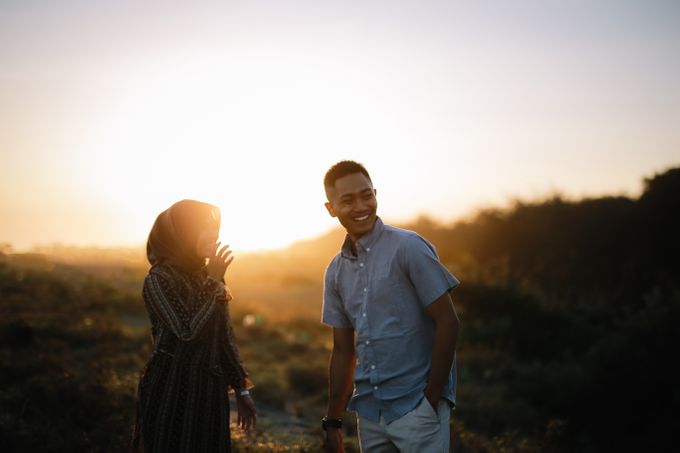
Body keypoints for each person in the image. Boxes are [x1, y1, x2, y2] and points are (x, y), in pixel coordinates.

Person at [321, 161, 460, 453]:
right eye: (347, 200)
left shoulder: (409, 247)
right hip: (370, 414)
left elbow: (448, 322)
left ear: (375, 194)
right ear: (331, 208)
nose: (361, 205)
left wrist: (432, 398)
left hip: (417, 408)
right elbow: (344, 350)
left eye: (366, 195)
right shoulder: (335, 271)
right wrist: (332, 422)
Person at [131, 199, 256, 453]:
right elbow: (185, 330)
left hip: (210, 392)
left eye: (215, 229)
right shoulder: (158, 279)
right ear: (182, 234)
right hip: (172, 390)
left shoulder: (206, 277)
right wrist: (214, 281)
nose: (213, 235)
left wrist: (242, 391)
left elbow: (223, 337)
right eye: (203, 228)